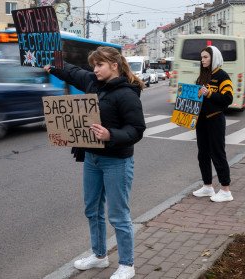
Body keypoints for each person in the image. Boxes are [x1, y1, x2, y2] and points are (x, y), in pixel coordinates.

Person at [44, 47, 146, 279]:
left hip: (116, 162)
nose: (95, 69)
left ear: (114, 65)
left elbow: (136, 129)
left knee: (118, 215)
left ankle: (127, 264)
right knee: (92, 209)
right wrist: (52, 62)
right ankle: (99, 256)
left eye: (99, 65)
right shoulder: (93, 82)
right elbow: (72, 72)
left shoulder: (127, 94)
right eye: (94, 65)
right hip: (92, 157)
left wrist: (111, 135)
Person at [192, 45, 234, 202]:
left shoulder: (222, 76)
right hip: (201, 120)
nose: (202, 60)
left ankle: (225, 189)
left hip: (215, 119)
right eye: (201, 57)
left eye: (205, 57)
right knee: (202, 154)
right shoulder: (202, 76)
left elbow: (228, 99)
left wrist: (209, 93)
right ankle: (207, 186)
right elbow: (197, 97)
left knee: (218, 153)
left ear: (213, 58)